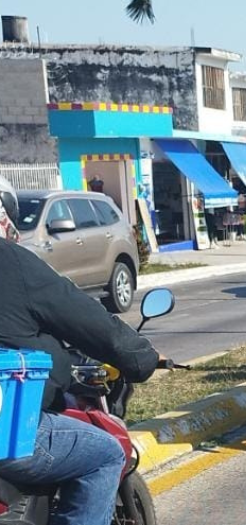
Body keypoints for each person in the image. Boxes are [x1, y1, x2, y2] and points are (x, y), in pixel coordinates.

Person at [0, 180, 162, 525]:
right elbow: (88, 321)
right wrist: (142, 358)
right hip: (10, 432)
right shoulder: (11, 263)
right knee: (104, 453)